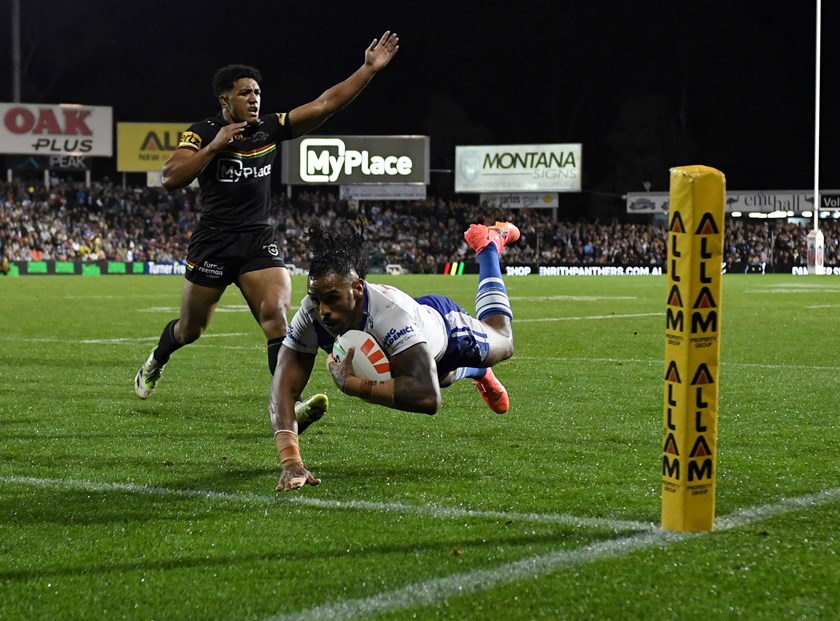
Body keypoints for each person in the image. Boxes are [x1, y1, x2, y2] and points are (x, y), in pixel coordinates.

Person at [134, 31, 400, 415]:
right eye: (245, 93)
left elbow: (326, 104)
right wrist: (215, 146)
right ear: (225, 100)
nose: (254, 98)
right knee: (190, 329)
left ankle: (289, 406)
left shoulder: (270, 128)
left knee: (276, 316)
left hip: (257, 239)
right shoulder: (202, 132)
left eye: (257, 92)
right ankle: (156, 360)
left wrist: (368, 69)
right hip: (213, 242)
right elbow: (171, 177)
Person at [269, 219, 519, 492]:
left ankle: (488, 246)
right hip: (407, 346)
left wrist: (352, 385)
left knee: (503, 341)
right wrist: (290, 461)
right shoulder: (311, 313)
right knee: (439, 376)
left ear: (357, 289)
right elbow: (284, 386)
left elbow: (428, 397)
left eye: (332, 298)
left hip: (446, 330)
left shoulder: (390, 314)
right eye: (316, 299)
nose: (322, 310)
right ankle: (476, 372)